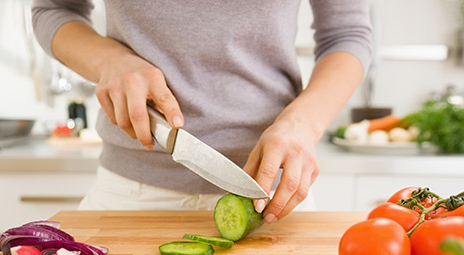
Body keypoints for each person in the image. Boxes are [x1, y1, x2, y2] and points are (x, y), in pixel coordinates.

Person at [32, 0, 372, 223]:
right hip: (128, 195)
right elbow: (54, 9)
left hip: (271, 196)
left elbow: (347, 34)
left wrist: (303, 124)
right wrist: (109, 60)